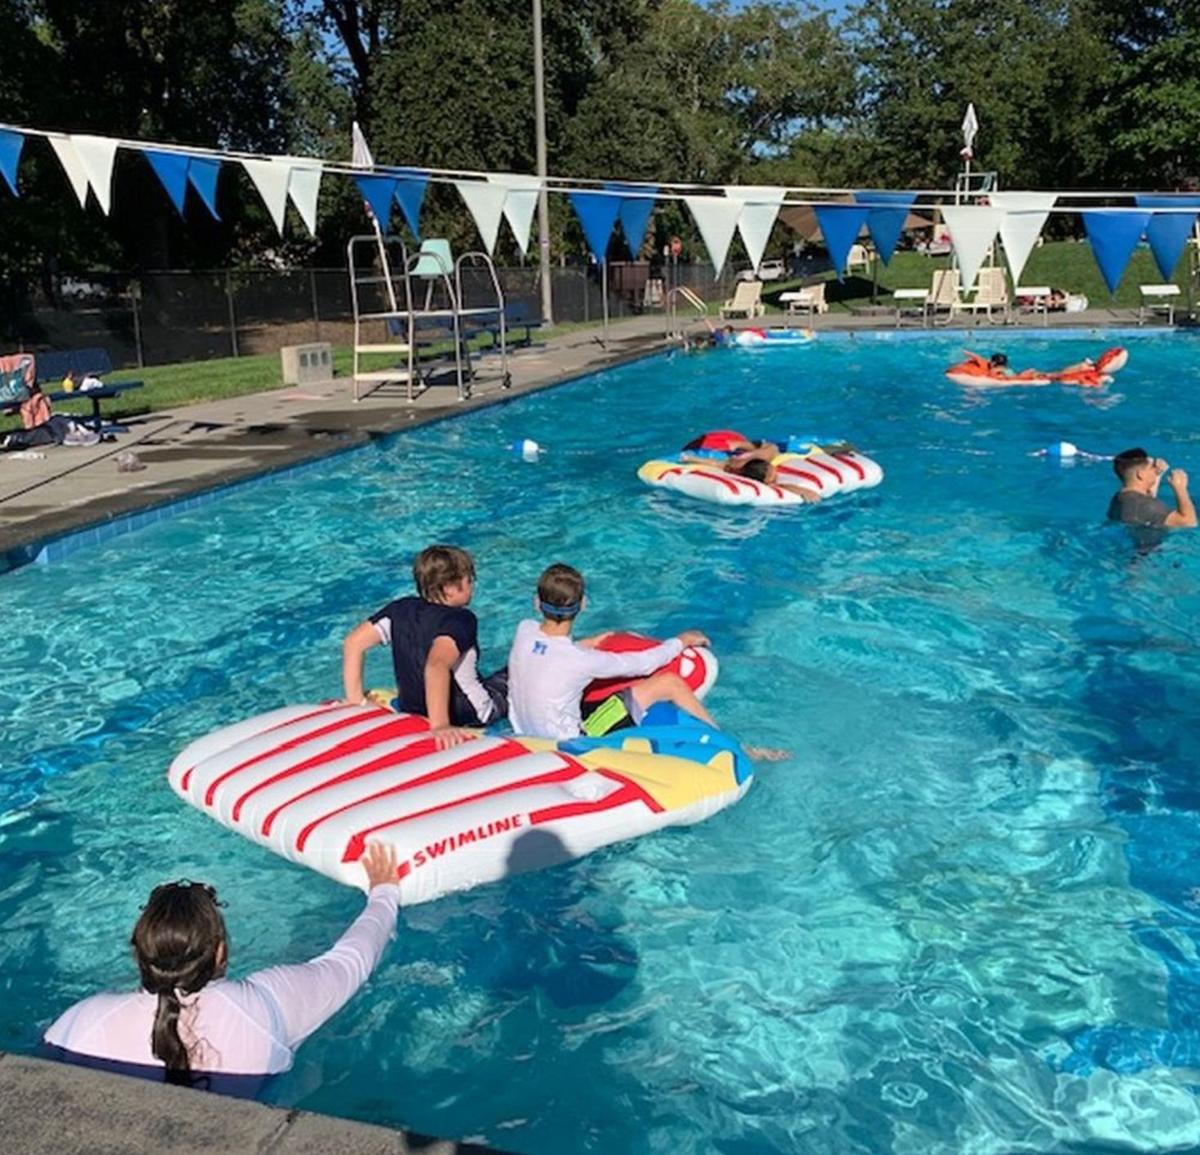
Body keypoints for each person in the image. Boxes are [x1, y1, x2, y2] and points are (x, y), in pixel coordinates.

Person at [43, 843, 401, 1092]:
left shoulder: (82, 1022)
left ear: (138, 954)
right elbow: (354, 959)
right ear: (220, 952)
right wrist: (384, 892)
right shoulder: (269, 1007)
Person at [507, 564, 787, 760]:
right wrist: (680, 641)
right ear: (583, 605)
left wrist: (587, 642)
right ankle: (735, 747)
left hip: (524, 734)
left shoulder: (524, 631)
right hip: (573, 743)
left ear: (536, 603)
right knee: (670, 683)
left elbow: (553, 654)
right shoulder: (582, 660)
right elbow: (644, 663)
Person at [342, 544, 507, 748]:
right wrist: (440, 725)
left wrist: (357, 700)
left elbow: (353, 643)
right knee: (514, 672)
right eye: (469, 580)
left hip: (412, 709)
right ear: (449, 587)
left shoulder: (400, 609)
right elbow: (436, 665)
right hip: (471, 714)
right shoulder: (461, 620)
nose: (472, 586)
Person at [1107, 447, 1196, 529]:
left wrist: (1157, 474)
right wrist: (1180, 488)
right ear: (1140, 474)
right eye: (1152, 467)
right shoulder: (1146, 505)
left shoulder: (1119, 498)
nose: (1155, 469)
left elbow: (1147, 503)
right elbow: (1189, 523)